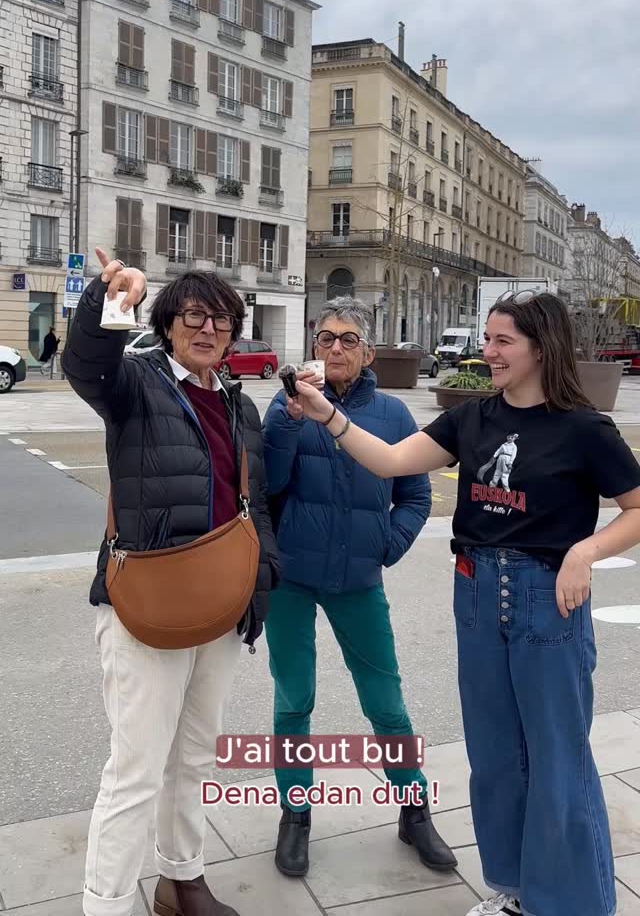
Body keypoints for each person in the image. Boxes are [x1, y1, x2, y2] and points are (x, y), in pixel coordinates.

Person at [291, 290, 640, 916]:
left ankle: (571, 905)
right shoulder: (473, 419)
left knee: (557, 759)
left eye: (503, 340)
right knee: (494, 755)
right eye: (488, 338)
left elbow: (637, 508)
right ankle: (513, 890)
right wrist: (327, 416)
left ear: (542, 346)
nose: (489, 350)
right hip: (476, 592)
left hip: (546, 599)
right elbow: (394, 461)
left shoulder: (584, 428)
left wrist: (584, 553)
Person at [62, 248, 279, 916]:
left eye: (219, 319)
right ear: (167, 324)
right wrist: (108, 304)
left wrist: (260, 582)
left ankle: (182, 882)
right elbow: (85, 365)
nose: (207, 329)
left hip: (219, 606)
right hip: (146, 605)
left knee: (194, 759)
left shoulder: (241, 407)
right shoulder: (134, 383)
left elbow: (254, 505)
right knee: (134, 771)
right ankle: (106, 904)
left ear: (233, 332)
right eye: (192, 316)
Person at [262, 296, 457, 878]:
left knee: (386, 704)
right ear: (313, 347)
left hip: (358, 579)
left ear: (367, 351)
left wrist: (387, 545)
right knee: (294, 700)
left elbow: (416, 495)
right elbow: (268, 485)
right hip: (292, 579)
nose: (336, 348)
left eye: (348, 339)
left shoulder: (394, 415)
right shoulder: (286, 404)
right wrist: (286, 419)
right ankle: (294, 816)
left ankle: (414, 811)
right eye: (326, 339)